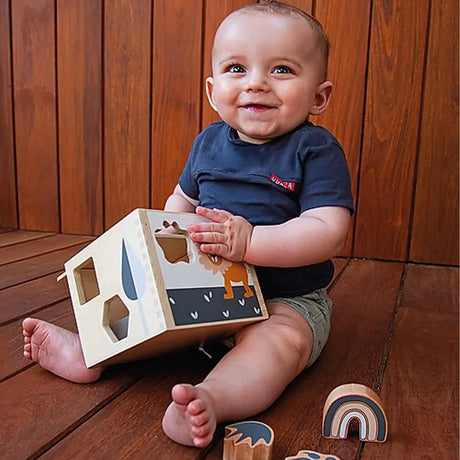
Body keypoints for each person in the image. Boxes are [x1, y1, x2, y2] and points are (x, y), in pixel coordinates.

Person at [22, 0, 354, 449]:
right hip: (204, 287)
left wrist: (251, 242)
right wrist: (158, 244)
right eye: (237, 68)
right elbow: (181, 203)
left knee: (279, 345)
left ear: (318, 96)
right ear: (213, 91)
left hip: (285, 298)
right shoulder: (209, 142)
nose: (256, 82)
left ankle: (212, 398)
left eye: (281, 70)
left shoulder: (315, 150)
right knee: (147, 310)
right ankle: (91, 353)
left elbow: (327, 229)